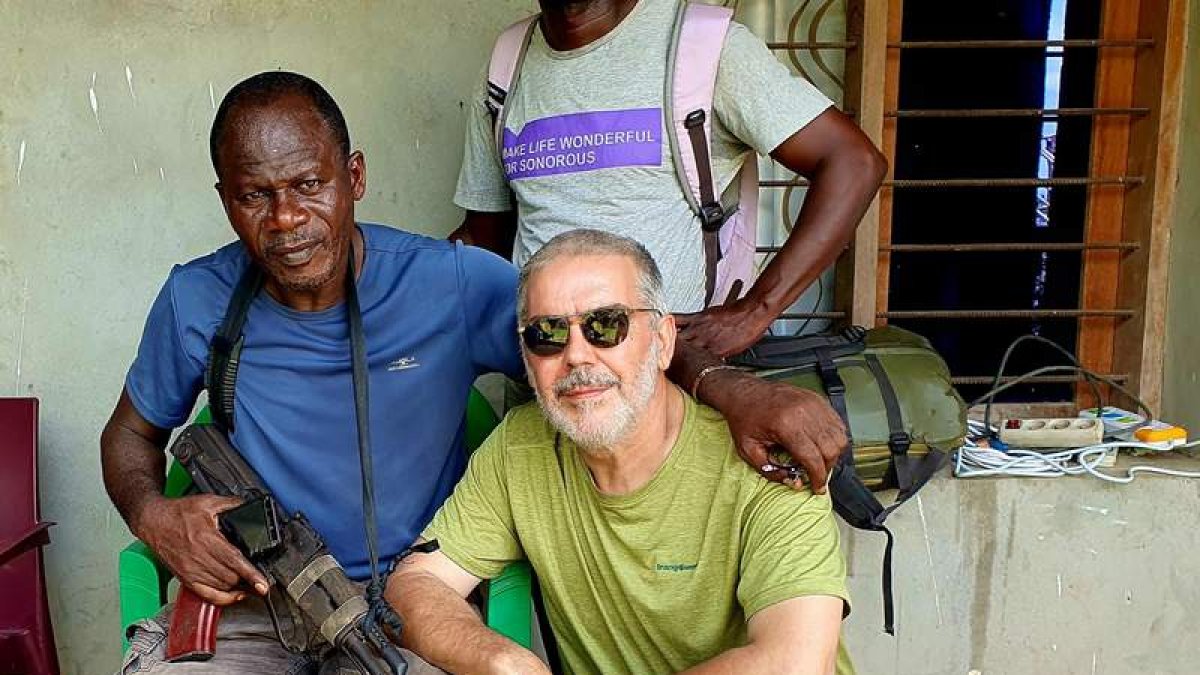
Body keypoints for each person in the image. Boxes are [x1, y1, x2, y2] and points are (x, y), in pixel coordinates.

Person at [104, 72, 847, 673]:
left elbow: (584, 330)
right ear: (226, 200)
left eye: (307, 184)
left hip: (399, 613)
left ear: (353, 176)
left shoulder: (446, 282)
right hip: (251, 605)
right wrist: (153, 513)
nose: (286, 218)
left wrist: (732, 385)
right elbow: (131, 435)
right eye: (254, 195)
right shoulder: (196, 298)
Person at [388, 229, 855, 675]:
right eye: (546, 334)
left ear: (663, 340)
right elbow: (416, 584)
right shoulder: (521, 449)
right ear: (526, 357)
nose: (576, 356)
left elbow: (794, 663)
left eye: (606, 325)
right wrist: (504, 660)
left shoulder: (763, 457)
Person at [451, 0, 888, 359]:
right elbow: (484, 238)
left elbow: (853, 161)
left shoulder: (701, 48)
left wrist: (755, 312)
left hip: (675, 387)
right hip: (545, 382)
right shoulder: (507, 64)